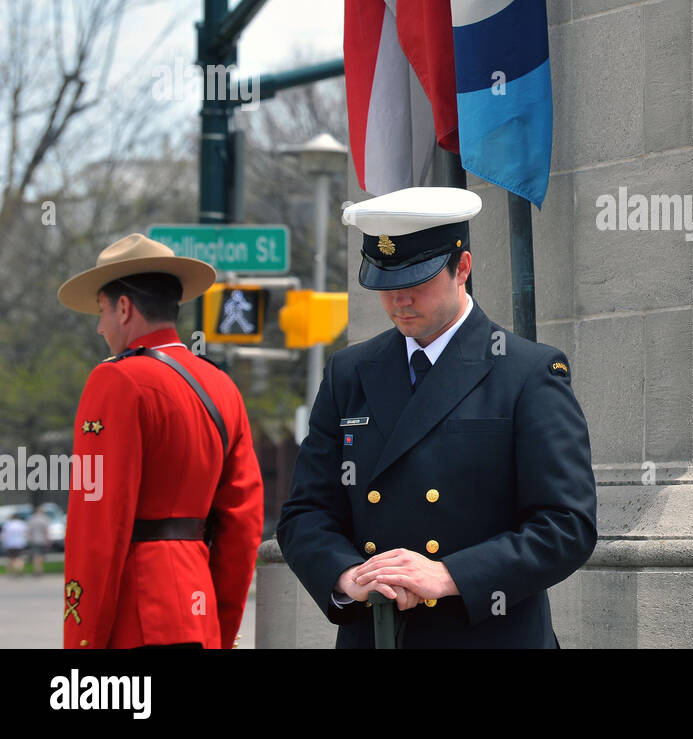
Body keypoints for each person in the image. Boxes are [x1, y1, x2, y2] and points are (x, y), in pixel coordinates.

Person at [277, 187, 598, 648]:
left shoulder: (527, 371)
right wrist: (349, 576)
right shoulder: (349, 373)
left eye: (417, 282)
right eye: (386, 285)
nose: (399, 301)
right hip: (376, 634)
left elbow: (567, 524)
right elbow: (306, 512)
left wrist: (448, 575)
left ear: (462, 267)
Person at [57, 233, 264, 648]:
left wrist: (83, 641)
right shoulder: (221, 386)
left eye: (101, 312)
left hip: (136, 617)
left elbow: (97, 524)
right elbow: (243, 524)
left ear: (123, 307)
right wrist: (220, 628)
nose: (100, 327)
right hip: (198, 609)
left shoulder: (115, 380)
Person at [26, 507, 50, 575]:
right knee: (41, 555)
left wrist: (28, 539)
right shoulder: (45, 519)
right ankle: (40, 570)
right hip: (42, 540)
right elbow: (46, 531)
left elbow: (29, 531)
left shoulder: (32, 519)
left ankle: (36, 570)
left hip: (33, 540)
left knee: (35, 555)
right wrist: (48, 539)